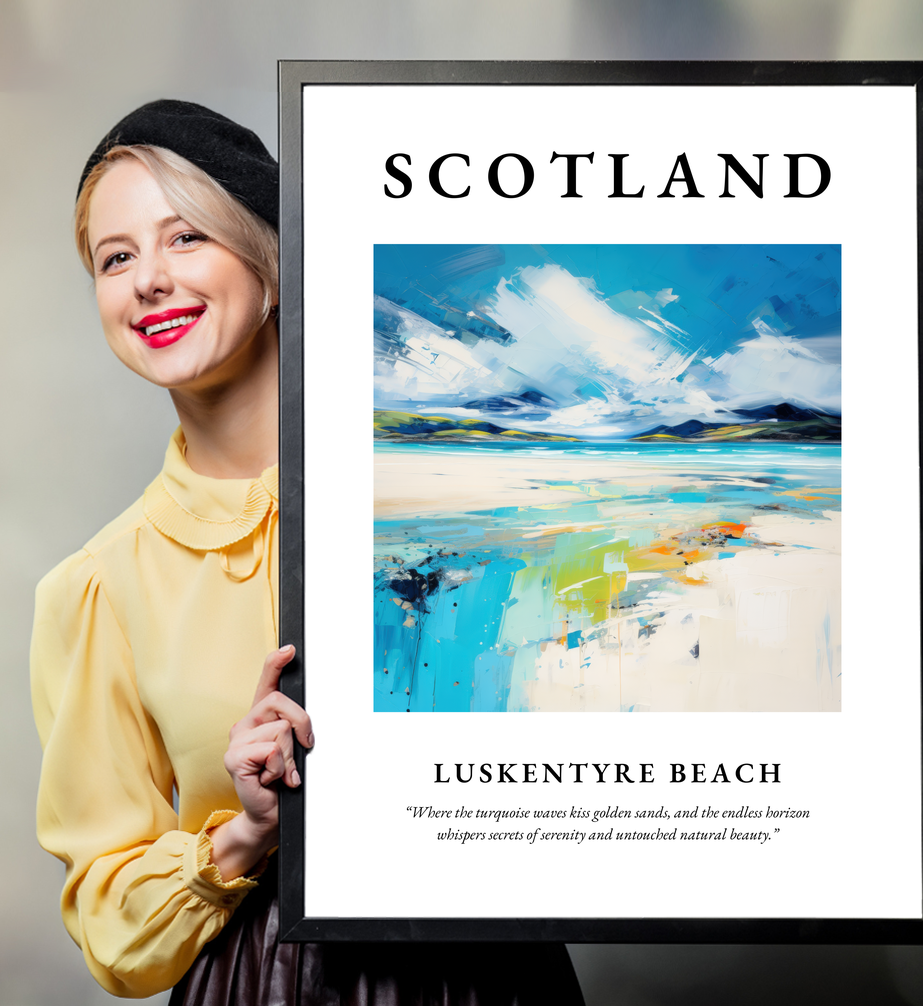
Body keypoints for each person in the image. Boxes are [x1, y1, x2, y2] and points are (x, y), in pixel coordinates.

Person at [30, 100, 585, 1004]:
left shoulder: (458, 496)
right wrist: (245, 832)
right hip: (263, 981)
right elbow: (110, 925)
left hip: (492, 972)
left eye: (186, 239)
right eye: (116, 257)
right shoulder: (97, 587)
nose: (148, 281)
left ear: (273, 264)